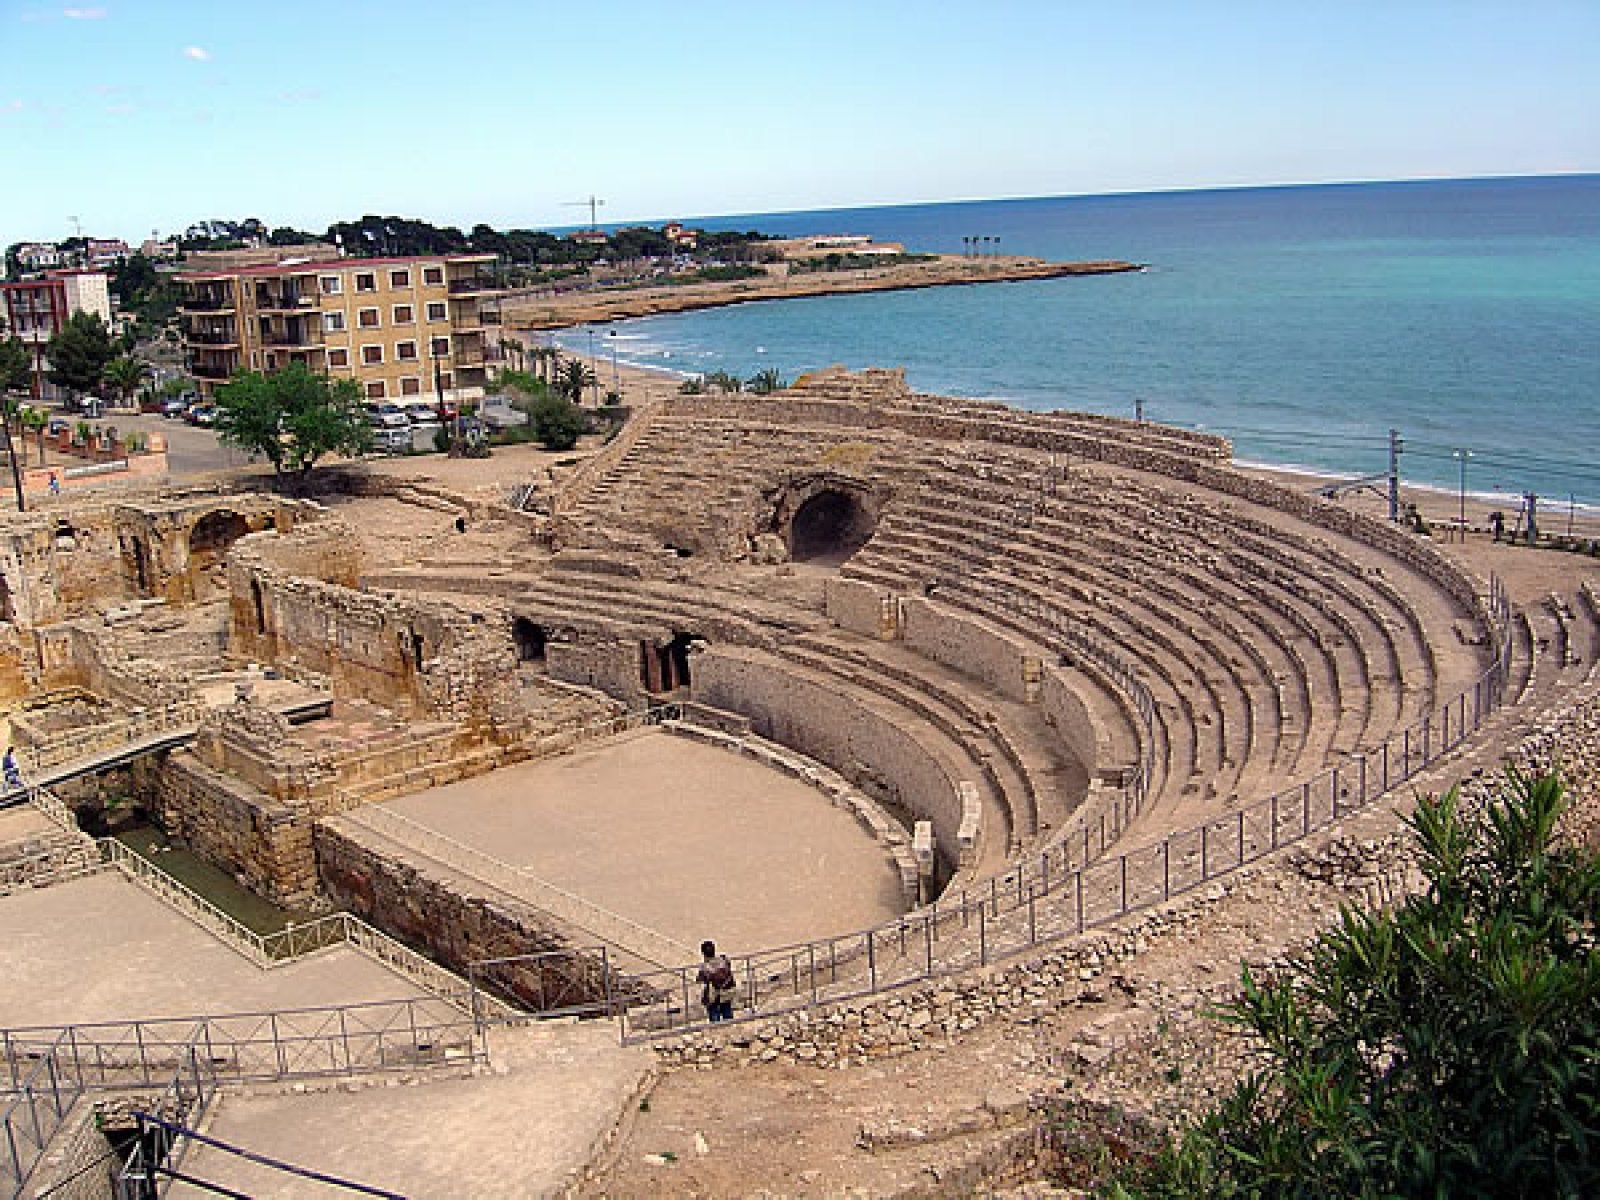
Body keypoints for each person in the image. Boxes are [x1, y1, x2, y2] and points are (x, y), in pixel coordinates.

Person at [696, 939, 737, 1023]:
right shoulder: (724, 959)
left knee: (713, 1010)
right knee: (727, 1010)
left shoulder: (704, 967)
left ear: (703, 953)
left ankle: (715, 1025)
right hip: (728, 991)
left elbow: (699, 980)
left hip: (716, 995)